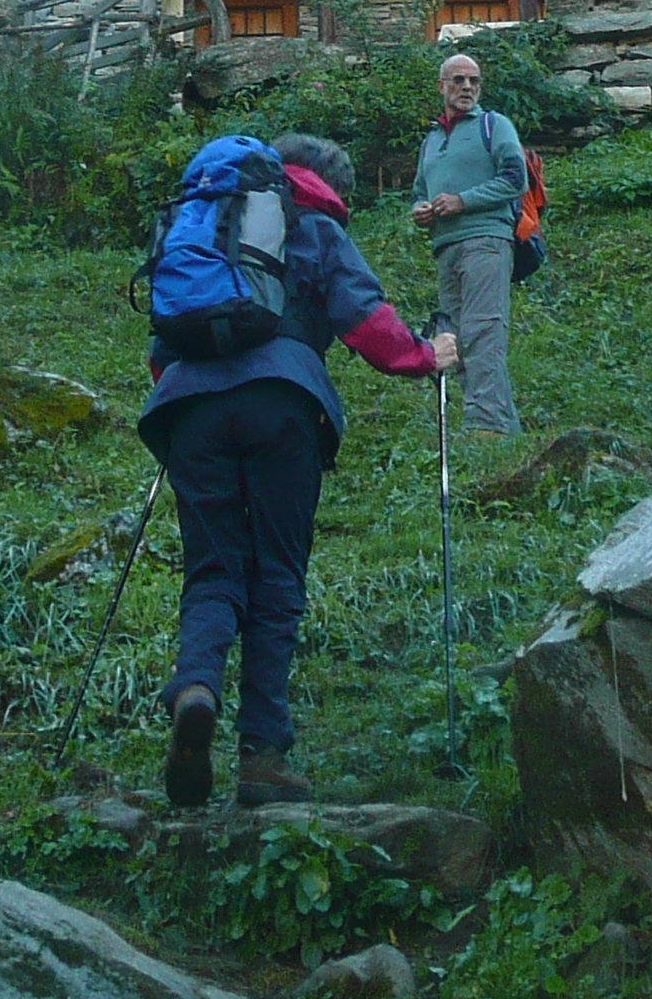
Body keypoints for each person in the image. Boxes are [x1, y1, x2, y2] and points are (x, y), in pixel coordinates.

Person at [143, 132, 453, 811]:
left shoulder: (212, 221)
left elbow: (163, 345)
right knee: (276, 573)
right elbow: (367, 324)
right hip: (283, 405)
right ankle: (263, 757)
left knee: (213, 569)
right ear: (331, 185)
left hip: (189, 410)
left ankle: (196, 688)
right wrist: (429, 356)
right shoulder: (315, 227)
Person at [411, 52, 528, 435]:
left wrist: (463, 201)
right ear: (441, 86)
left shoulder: (495, 126)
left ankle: (485, 429)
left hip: (486, 241)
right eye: (458, 80)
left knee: (483, 331)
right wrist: (421, 210)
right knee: (456, 341)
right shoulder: (431, 139)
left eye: (474, 81)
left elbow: (515, 179)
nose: (467, 87)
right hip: (446, 247)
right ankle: (504, 431)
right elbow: (418, 190)